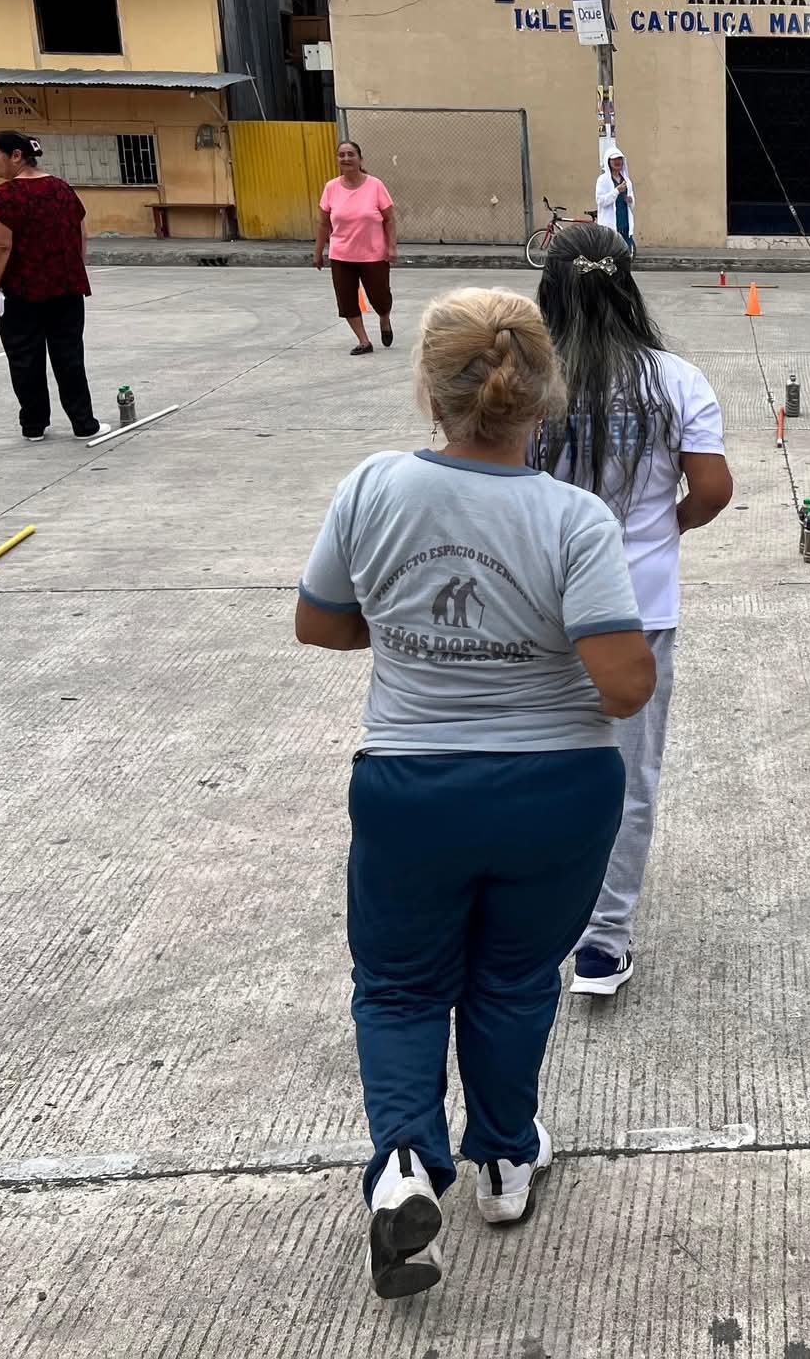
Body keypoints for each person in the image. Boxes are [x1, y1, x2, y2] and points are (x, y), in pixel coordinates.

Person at [294, 287, 656, 1300]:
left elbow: (320, 622)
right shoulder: (572, 519)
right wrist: (538, 649)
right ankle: (502, 1159)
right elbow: (625, 684)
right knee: (511, 980)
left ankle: (405, 1165)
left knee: (401, 987)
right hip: (555, 788)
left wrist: (420, 641)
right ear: (543, 394)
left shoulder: (372, 487)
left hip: (411, 785)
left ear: (429, 388)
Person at [532, 223, 732, 997]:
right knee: (627, 774)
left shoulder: (525, 376)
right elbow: (711, 489)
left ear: (550, 292)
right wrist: (664, 528)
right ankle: (602, 943)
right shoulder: (676, 380)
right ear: (627, 287)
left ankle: (533, 916)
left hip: (539, 603)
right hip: (637, 608)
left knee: (535, 760)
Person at [0, 130, 106, 440]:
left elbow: (1, 245)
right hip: (66, 288)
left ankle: (34, 425)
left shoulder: (7, 194)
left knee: (25, 358)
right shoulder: (62, 188)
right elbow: (81, 233)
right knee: (69, 356)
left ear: (16, 156)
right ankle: (83, 423)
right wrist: (73, 270)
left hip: (22, 291)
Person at [316, 141, 398, 357]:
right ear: (337, 160)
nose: (346, 158)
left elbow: (389, 219)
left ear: (360, 159)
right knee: (347, 300)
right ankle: (364, 341)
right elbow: (323, 223)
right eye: (341, 155)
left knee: (380, 297)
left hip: (373, 254)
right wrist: (318, 253)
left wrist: (391, 247)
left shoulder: (375, 185)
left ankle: (384, 318)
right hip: (341, 255)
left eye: (350, 154)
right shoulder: (331, 188)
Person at [594, 144, 636, 253]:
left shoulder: (626, 181)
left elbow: (632, 204)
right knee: (611, 255)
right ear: (608, 162)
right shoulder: (603, 180)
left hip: (625, 225)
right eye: (614, 159)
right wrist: (616, 191)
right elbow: (600, 201)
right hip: (610, 226)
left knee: (625, 255)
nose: (618, 162)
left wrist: (630, 200)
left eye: (619, 159)